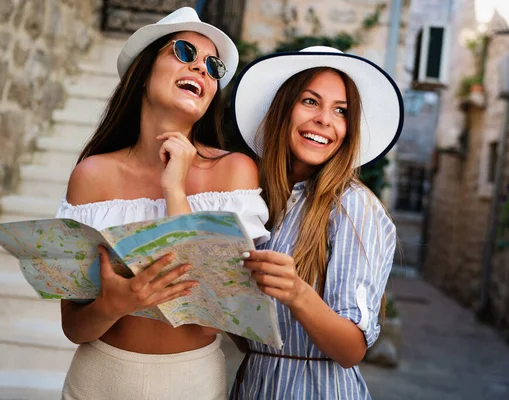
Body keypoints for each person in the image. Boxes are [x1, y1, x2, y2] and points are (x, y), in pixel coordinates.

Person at [55, 7, 269, 400]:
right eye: (185, 52)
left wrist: (176, 189)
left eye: (213, 66)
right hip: (96, 379)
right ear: (143, 70)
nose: (202, 69)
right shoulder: (91, 175)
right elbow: (74, 327)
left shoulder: (234, 173)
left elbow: (211, 320)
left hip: (192, 383)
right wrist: (112, 305)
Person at [229, 46, 404, 398]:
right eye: (310, 102)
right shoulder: (261, 200)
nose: (326, 119)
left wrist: (297, 293)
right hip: (255, 385)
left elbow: (351, 349)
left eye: (341, 111)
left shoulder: (354, 207)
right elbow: (245, 337)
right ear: (283, 109)